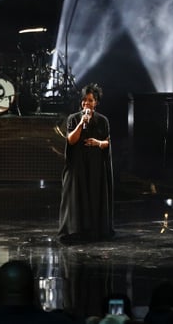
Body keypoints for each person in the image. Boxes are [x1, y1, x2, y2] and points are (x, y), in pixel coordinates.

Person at [57, 83, 114, 243]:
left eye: (90, 100)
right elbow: (71, 140)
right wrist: (82, 123)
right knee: (76, 195)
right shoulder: (74, 118)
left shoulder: (103, 121)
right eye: (84, 100)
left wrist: (97, 142)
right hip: (78, 165)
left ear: (96, 102)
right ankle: (75, 230)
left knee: (94, 194)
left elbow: (108, 143)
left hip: (95, 164)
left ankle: (95, 230)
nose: (86, 104)